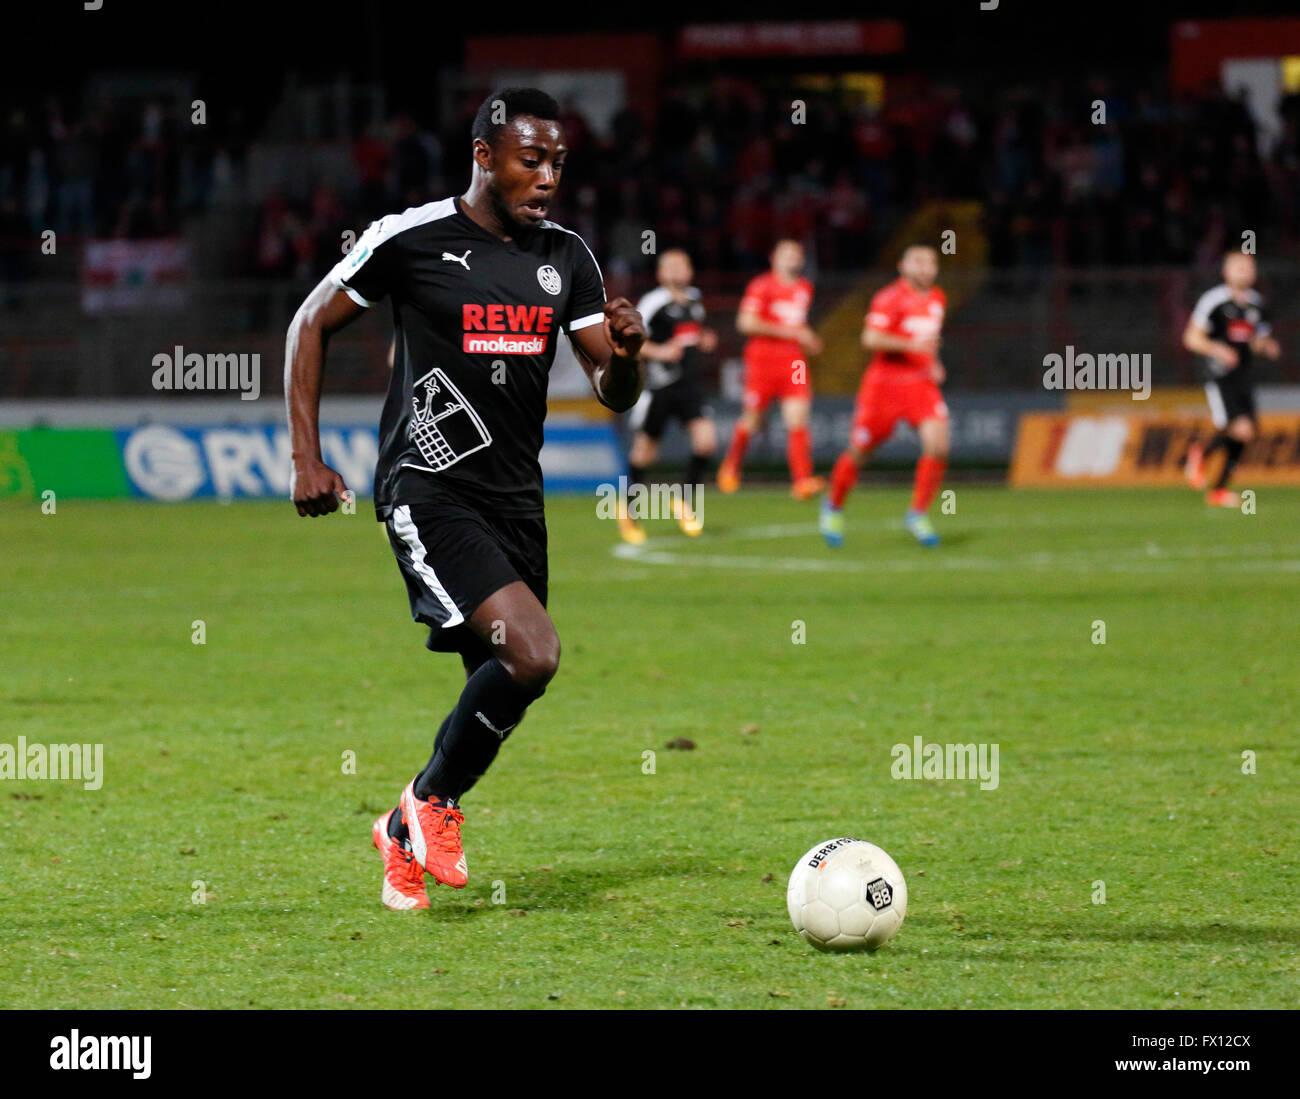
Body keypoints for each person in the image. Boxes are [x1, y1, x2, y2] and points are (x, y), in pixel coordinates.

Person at [284, 88, 645, 910]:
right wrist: (307, 456)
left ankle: (401, 826)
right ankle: (432, 804)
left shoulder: (567, 257)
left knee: (508, 676)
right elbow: (311, 323)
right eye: (531, 159)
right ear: (484, 156)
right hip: (430, 485)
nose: (547, 176)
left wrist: (627, 356)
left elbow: (613, 389)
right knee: (535, 651)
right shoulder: (411, 238)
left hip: (518, 499)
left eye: (557, 161)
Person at [821, 244, 949, 548]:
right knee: (861, 450)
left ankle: (917, 513)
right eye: (918, 261)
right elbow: (871, 338)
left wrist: (934, 362)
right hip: (884, 387)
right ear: (902, 266)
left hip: (920, 384)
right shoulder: (889, 297)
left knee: (939, 445)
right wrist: (911, 345)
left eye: (930, 261)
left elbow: (929, 341)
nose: (925, 267)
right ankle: (833, 505)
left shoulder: (937, 298)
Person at [620, 248, 717, 543]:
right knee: (645, 453)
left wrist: (704, 339)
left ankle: (684, 501)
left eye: (682, 264)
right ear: (661, 273)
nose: (677, 270)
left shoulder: (695, 301)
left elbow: (692, 335)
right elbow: (630, 338)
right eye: (670, 265)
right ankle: (629, 511)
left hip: (689, 387)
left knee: (706, 442)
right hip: (660, 387)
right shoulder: (653, 302)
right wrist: (659, 351)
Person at [717, 239, 825, 500]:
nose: (792, 259)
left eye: (796, 254)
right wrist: (790, 332)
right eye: (786, 254)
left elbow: (797, 323)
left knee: (798, 417)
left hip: (795, 361)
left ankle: (802, 481)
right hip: (762, 359)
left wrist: (808, 337)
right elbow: (745, 322)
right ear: (773, 258)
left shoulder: (804, 288)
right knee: (753, 418)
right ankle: (732, 465)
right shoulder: (761, 285)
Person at [1182, 251, 1281, 507]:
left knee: (1245, 433)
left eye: (1248, 267)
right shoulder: (1213, 301)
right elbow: (1192, 338)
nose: (1244, 271)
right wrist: (1218, 350)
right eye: (1238, 267)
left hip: (1244, 376)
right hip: (1218, 375)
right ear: (1225, 271)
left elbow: (1257, 341)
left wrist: (1266, 346)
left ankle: (1217, 487)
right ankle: (1202, 457)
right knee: (1239, 428)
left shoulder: (1258, 305)